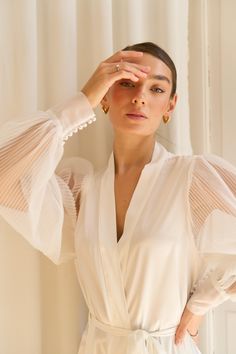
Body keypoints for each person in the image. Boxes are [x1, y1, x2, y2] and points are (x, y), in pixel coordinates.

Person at [0, 42, 236, 354]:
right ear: (106, 97)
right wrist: (82, 102)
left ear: (170, 106)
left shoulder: (192, 177)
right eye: (126, 83)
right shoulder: (81, 191)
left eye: (156, 89)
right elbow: (5, 175)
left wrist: (199, 307)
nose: (140, 96)